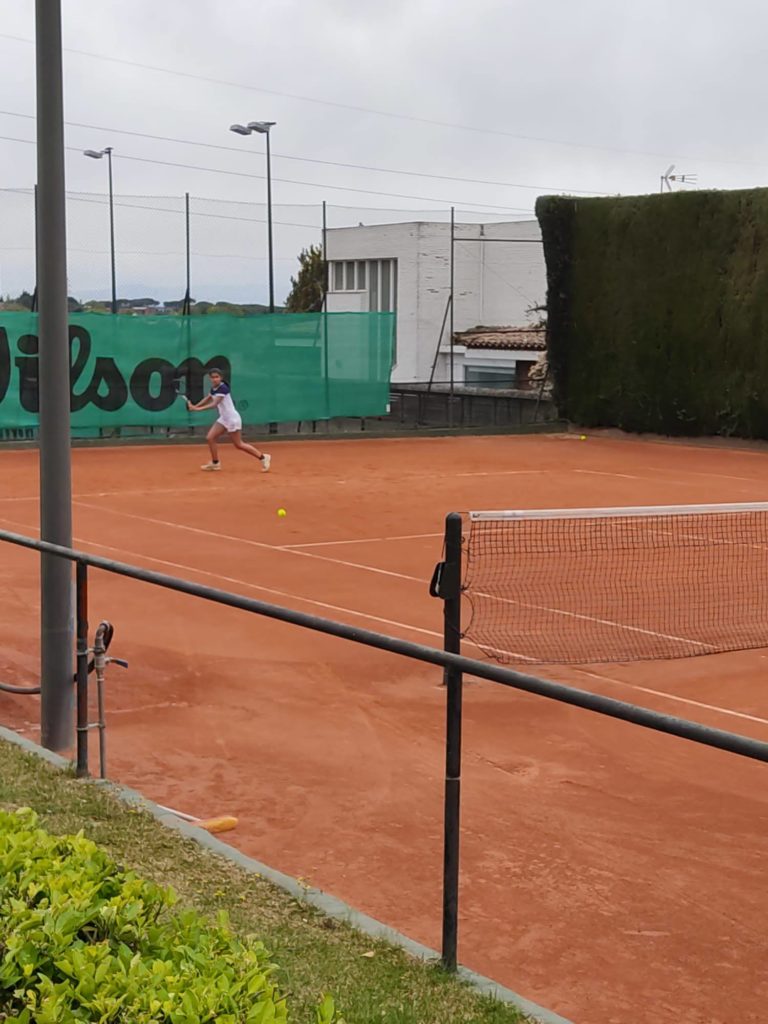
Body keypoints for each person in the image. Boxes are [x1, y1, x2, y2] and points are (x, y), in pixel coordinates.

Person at [185, 369, 271, 473]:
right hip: (224, 418)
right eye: (212, 377)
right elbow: (208, 398)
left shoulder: (223, 388)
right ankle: (215, 463)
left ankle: (263, 457)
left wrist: (197, 409)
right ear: (210, 378)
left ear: (221, 378)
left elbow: (214, 404)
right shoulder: (214, 388)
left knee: (239, 444)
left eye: (217, 377)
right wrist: (195, 406)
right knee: (210, 438)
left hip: (232, 419)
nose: (215, 379)